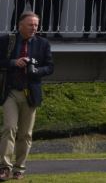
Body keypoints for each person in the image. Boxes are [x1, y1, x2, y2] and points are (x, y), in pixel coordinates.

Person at [0, 12, 53, 180]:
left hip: (30, 93)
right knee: (9, 128)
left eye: (36, 25)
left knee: (26, 134)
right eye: (30, 25)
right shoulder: (7, 41)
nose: (34, 28)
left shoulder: (43, 43)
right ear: (20, 26)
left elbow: (50, 67)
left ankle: (19, 168)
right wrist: (13, 62)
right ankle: (4, 167)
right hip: (10, 92)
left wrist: (37, 70)